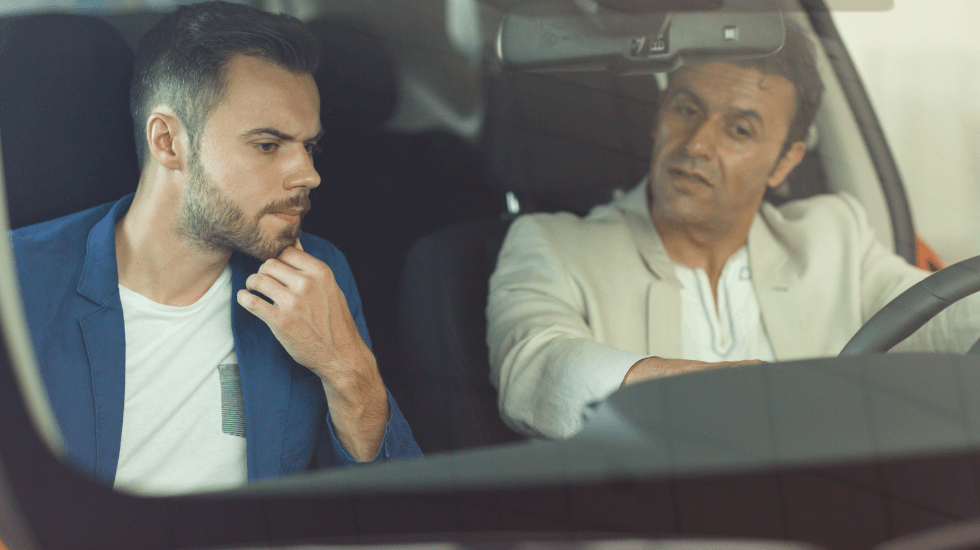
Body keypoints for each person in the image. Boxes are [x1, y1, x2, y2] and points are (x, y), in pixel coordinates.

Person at [486, 24, 980, 440]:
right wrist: (719, 394)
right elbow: (539, 366)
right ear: (658, 117)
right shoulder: (553, 245)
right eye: (685, 109)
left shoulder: (835, 236)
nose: (698, 143)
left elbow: (938, 313)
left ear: (785, 162)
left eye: (739, 129)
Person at [11, 1, 421, 495]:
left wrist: (348, 370)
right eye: (268, 145)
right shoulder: (17, 281)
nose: (309, 174)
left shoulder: (313, 274)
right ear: (168, 142)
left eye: (309, 146)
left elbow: (389, 505)